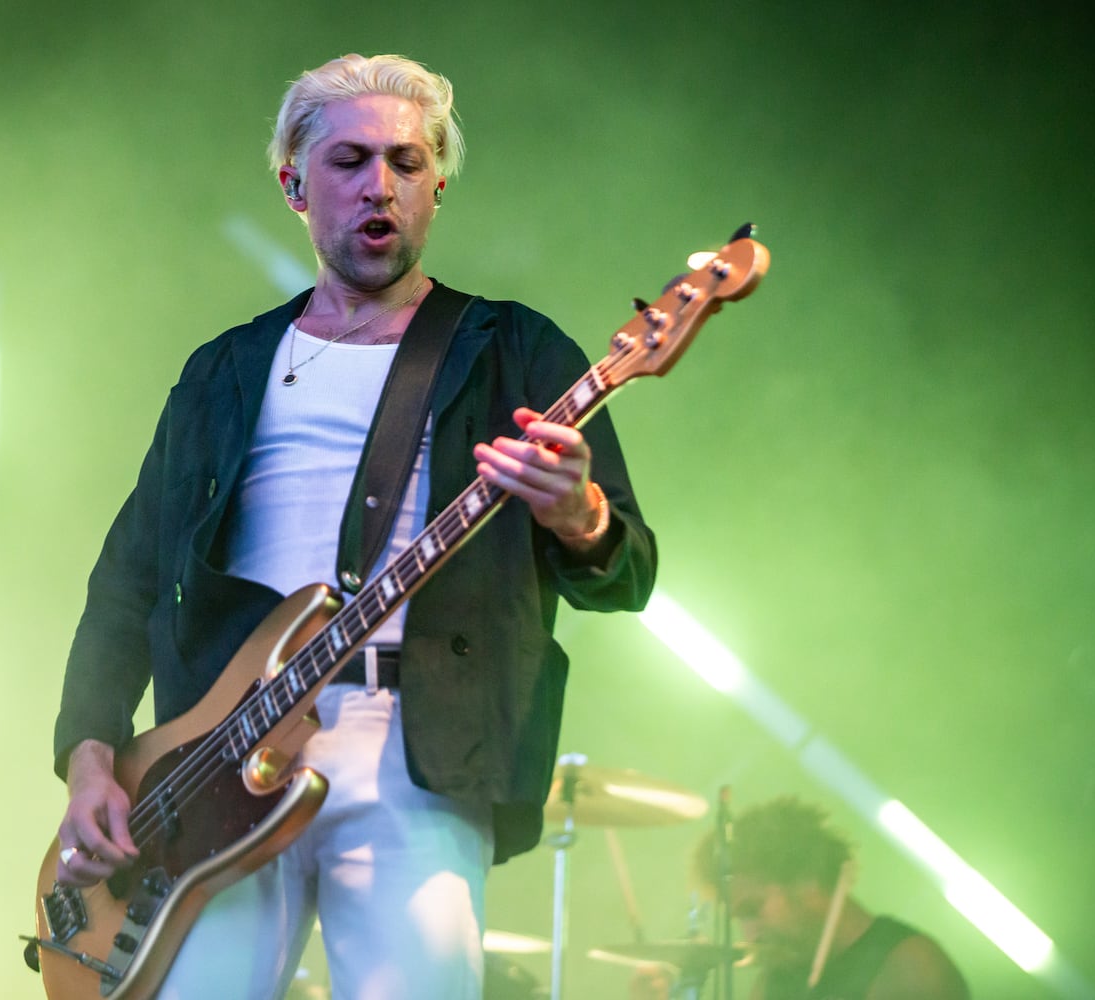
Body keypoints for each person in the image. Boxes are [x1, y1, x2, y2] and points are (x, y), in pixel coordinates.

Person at [50, 53, 657, 999]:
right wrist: (92, 755)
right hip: (214, 756)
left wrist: (576, 511)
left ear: (438, 185)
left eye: (408, 164)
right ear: (295, 185)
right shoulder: (222, 371)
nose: (381, 185)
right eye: (349, 161)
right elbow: (126, 583)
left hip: (414, 748)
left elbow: (627, 574)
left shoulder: (516, 351)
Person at [635, 796, 969, 1000]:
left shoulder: (908, 966)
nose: (749, 934)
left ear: (807, 882)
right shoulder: (780, 979)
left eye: (754, 909)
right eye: (740, 919)